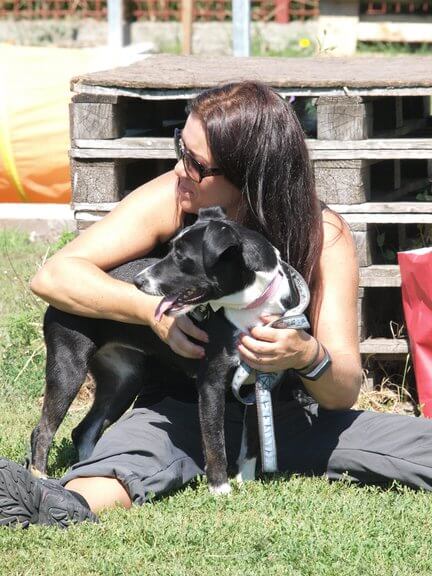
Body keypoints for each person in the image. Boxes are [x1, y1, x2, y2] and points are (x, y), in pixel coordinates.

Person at [1, 81, 432, 529]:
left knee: (417, 444)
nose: (179, 168)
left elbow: (342, 391)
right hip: (182, 411)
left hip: (290, 416)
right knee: (123, 463)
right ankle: (42, 503)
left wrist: (306, 354)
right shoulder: (174, 196)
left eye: (195, 163)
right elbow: (54, 276)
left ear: (250, 177)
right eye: (180, 148)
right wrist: (151, 312)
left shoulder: (322, 235)